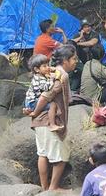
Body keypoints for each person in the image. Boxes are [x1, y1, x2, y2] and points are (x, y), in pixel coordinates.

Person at [25, 44, 78, 191]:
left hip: (39, 122)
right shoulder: (62, 75)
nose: (76, 61)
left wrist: (34, 114)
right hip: (49, 121)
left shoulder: (49, 72)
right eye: (73, 59)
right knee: (60, 157)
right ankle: (53, 188)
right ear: (65, 61)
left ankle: (45, 188)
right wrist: (35, 111)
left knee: (43, 154)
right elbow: (46, 96)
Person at [24, 54, 63, 132]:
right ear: (37, 69)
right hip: (32, 102)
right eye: (45, 66)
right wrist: (51, 79)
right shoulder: (39, 78)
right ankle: (52, 125)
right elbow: (46, 88)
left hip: (30, 100)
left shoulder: (40, 75)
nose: (48, 67)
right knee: (53, 105)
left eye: (48, 65)